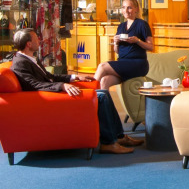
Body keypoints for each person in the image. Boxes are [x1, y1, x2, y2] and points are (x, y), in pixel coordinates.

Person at [10, 28, 141, 154]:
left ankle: (118, 136)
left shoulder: (30, 59)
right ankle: (108, 143)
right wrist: (62, 86)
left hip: (53, 93)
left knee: (104, 93)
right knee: (101, 97)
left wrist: (74, 77)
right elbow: (35, 85)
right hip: (49, 99)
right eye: (36, 39)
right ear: (28, 44)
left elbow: (49, 77)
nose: (39, 40)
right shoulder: (20, 63)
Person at [93, 0, 154, 90]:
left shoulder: (142, 24)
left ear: (136, 9)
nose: (126, 10)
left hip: (137, 64)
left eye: (129, 8)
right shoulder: (121, 26)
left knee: (102, 66)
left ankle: (90, 93)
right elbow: (117, 51)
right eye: (123, 7)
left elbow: (151, 47)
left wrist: (137, 41)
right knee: (105, 80)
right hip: (122, 63)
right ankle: (103, 99)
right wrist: (116, 42)